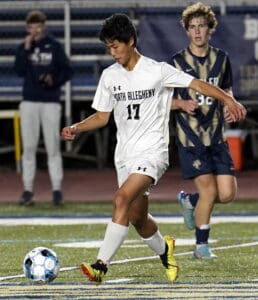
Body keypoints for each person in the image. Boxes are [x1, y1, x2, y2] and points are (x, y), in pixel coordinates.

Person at [61, 13, 245, 285]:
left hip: (152, 153)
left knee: (121, 199)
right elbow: (102, 116)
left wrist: (228, 99)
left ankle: (101, 265)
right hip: (124, 155)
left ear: (131, 41)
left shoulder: (157, 70)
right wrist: (77, 127)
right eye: (108, 47)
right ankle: (165, 250)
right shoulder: (109, 76)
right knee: (137, 218)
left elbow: (197, 84)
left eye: (116, 46)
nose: (112, 52)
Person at [171, 2, 246, 259]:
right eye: (192, 27)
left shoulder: (221, 59)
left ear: (210, 28)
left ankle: (190, 201)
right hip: (190, 139)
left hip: (216, 136)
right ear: (187, 31)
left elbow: (227, 91)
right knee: (210, 191)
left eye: (201, 26)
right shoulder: (176, 63)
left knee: (227, 194)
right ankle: (201, 246)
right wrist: (180, 103)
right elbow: (159, 100)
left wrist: (229, 104)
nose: (197, 31)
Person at [14, 10, 73, 206]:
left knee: (53, 147)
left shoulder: (54, 46)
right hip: (29, 101)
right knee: (29, 148)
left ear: (44, 27)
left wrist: (53, 80)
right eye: (31, 26)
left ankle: (57, 189)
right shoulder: (24, 47)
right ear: (27, 28)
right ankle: (28, 190)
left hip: (50, 101)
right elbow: (18, 70)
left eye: (38, 26)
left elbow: (67, 70)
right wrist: (26, 47)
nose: (35, 30)